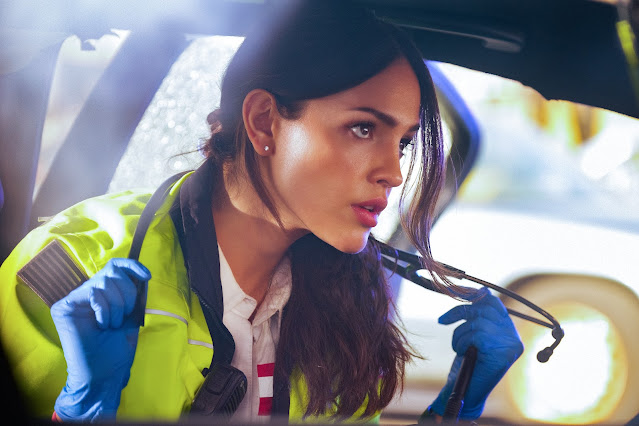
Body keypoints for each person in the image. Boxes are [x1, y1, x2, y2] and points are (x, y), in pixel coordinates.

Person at [0, 1, 523, 423]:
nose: (394, 172)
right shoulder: (66, 271)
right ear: (264, 122)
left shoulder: (343, 316)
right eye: (363, 128)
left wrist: (453, 410)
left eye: (404, 143)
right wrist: (81, 413)